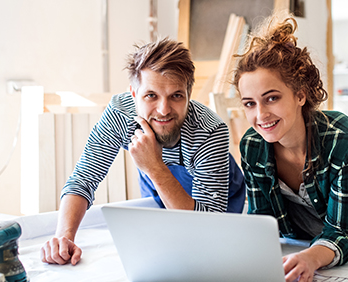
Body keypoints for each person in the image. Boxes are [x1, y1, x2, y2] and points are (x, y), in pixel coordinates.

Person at [41, 38, 245, 265]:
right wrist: (64, 236)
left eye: (176, 95)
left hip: (220, 202)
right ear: (133, 94)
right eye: (151, 96)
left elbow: (208, 226)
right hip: (158, 189)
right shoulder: (120, 114)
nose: (163, 110)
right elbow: (83, 179)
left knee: (206, 257)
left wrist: (155, 168)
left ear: (189, 94)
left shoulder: (210, 131)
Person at [232, 14, 348, 282]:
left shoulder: (344, 141)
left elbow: (343, 233)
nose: (261, 115)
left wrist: (311, 257)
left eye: (272, 98)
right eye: (249, 103)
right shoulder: (252, 146)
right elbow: (262, 222)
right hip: (297, 239)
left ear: (300, 95)